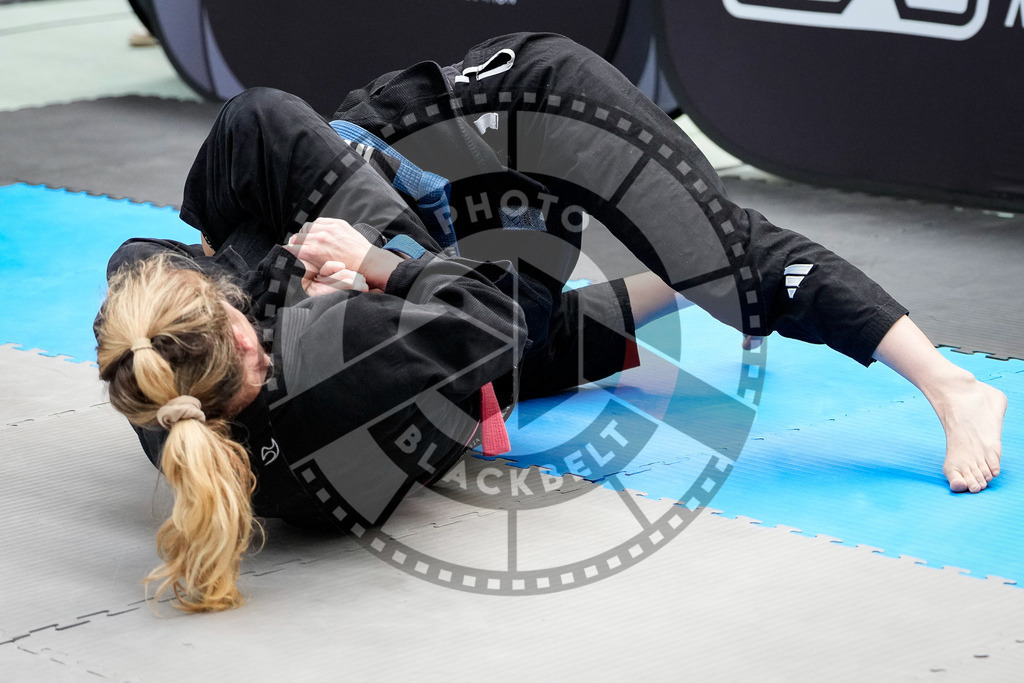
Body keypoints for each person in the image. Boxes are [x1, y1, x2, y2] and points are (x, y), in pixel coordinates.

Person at [94, 33, 1005, 612]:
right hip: (501, 149)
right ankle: (952, 382)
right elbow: (266, 123)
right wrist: (373, 269)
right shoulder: (335, 348)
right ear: (244, 340)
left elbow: (160, 270)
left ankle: (910, 366)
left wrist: (280, 278)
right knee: (700, 251)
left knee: (680, 265)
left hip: (449, 175)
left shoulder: (158, 385)